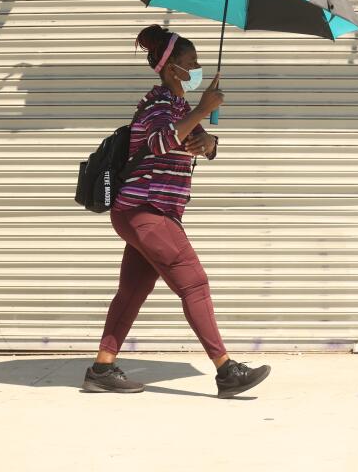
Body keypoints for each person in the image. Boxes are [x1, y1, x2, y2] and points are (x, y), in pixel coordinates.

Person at [82, 24, 271, 398]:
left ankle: (102, 368)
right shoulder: (159, 104)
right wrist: (203, 109)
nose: (197, 68)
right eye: (191, 62)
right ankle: (226, 370)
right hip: (148, 212)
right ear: (172, 69)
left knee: (133, 290)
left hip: (142, 213)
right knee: (194, 283)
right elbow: (157, 142)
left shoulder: (179, 107)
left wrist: (209, 141)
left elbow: (189, 143)